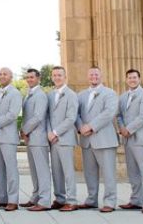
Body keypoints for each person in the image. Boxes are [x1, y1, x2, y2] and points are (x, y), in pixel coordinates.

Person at [75, 66, 119, 212]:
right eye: (91, 74)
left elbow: (109, 113)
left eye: (96, 74)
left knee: (108, 172)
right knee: (89, 172)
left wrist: (91, 127)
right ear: (88, 77)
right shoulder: (81, 95)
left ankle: (110, 202)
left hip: (104, 139)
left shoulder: (110, 93)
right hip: (86, 140)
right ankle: (91, 199)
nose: (93, 76)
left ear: (101, 76)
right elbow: (76, 114)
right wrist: (81, 127)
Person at [118, 68, 143, 214]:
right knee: (132, 172)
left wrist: (128, 129)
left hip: (140, 139)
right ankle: (136, 200)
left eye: (134, 77)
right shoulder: (122, 97)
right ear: (126, 79)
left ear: (139, 79)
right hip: (127, 140)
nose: (132, 80)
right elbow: (119, 115)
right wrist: (122, 128)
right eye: (129, 78)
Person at [0, 67, 22, 211]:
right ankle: (2, 197)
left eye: (5, 74)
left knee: (11, 169)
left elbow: (12, 114)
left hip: (8, 137)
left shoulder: (15, 93)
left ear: (11, 76)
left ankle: (13, 200)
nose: (2, 76)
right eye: (0, 74)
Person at [20, 68, 52, 211]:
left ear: (38, 78)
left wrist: (24, 130)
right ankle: (35, 197)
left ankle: (44, 201)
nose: (29, 79)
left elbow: (38, 117)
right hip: (30, 138)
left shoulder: (40, 95)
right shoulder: (28, 94)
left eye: (32, 77)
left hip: (38, 137)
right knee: (34, 170)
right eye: (28, 77)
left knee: (42, 170)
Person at [47, 65, 79, 211]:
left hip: (65, 139)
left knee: (68, 171)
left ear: (65, 77)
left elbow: (71, 118)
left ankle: (71, 200)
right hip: (53, 140)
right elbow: (47, 116)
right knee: (56, 171)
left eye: (59, 75)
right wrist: (49, 133)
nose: (57, 77)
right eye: (54, 75)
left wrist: (55, 132)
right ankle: (60, 198)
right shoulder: (50, 95)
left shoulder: (71, 95)